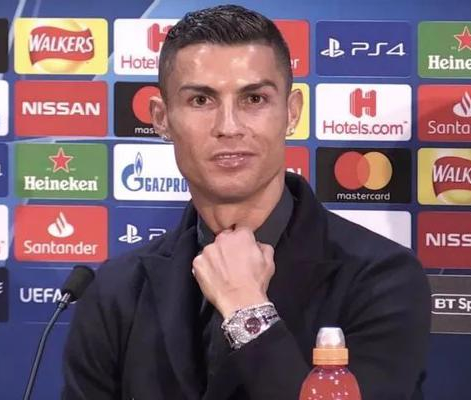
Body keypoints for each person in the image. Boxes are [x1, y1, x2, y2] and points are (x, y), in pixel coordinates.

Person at [62, 5, 430, 400]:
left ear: (291, 112)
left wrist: (246, 309)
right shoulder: (116, 290)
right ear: (161, 118)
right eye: (201, 100)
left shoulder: (381, 279)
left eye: (254, 98)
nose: (229, 127)